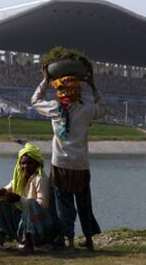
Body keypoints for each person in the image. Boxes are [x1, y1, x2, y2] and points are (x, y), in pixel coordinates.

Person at [31, 47, 106, 251]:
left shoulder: (56, 109)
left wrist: (45, 80)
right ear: (78, 91)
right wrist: (93, 86)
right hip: (81, 165)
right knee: (84, 203)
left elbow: (35, 101)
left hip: (61, 164)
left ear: (59, 92)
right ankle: (89, 239)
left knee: (63, 203)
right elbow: (103, 108)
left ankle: (68, 240)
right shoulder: (87, 110)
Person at [0, 143, 54, 253]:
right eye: (23, 163)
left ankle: (29, 243)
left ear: (37, 164)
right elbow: (1, 192)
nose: (25, 166)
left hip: (41, 226)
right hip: (23, 221)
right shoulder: (19, 179)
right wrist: (2, 192)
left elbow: (42, 205)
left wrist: (20, 199)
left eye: (29, 163)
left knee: (31, 204)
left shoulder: (40, 179)